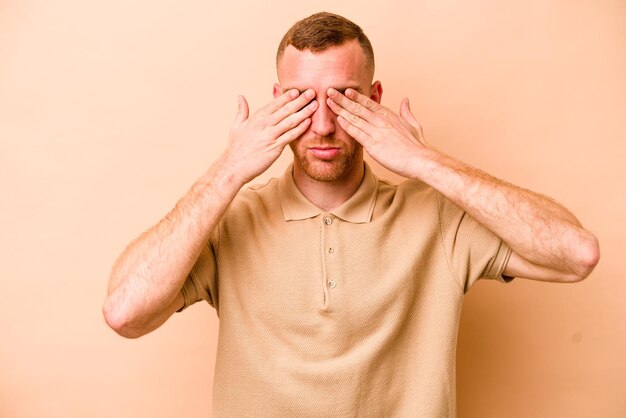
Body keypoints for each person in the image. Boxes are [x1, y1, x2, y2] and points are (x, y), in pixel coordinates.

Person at [103, 12, 600, 417]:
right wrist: (228, 171)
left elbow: (576, 254)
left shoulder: (438, 219)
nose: (321, 125)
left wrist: (422, 160)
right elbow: (125, 312)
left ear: (374, 99)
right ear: (275, 103)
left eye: (342, 98)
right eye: (301, 101)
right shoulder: (230, 219)